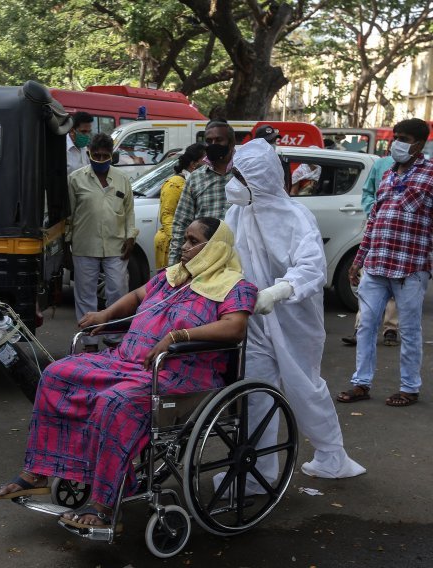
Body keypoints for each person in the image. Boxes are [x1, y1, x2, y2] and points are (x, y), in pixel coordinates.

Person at [0, 218, 257, 529]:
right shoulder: (171, 278)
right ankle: (37, 471)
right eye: (184, 239)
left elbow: (235, 328)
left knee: (114, 403)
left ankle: (104, 501)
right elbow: (136, 297)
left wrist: (177, 336)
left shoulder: (234, 286)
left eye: (193, 241)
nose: (183, 247)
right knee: (55, 376)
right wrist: (106, 314)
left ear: (214, 248)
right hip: (125, 361)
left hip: (178, 375)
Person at [225, 138, 365, 480]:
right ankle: (260, 471)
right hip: (254, 320)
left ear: (259, 179)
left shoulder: (295, 217)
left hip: (293, 318)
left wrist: (278, 291)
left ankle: (332, 455)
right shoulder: (236, 214)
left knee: (304, 387)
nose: (233, 185)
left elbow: (311, 268)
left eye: (241, 178)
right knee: (257, 393)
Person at [338, 118, 433, 408]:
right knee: (366, 326)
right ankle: (361, 383)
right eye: (395, 137)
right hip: (376, 265)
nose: (396, 143)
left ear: (418, 143)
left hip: (410, 269)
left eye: (402, 138)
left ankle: (409, 388)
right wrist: (360, 258)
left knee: (410, 330)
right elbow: (375, 221)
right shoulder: (389, 174)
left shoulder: (430, 174)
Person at [66, 133, 136, 352]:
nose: (100, 159)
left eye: (105, 156)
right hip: (84, 244)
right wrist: (66, 244)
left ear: (112, 156)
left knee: (118, 289)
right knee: (85, 295)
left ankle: (114, 338)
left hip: (116, 244)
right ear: (89, 155)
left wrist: (131, 236)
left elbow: (129, 210)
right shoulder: (76, 178)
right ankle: (90, 342)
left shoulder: (122, 178)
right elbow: (69, 214)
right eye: (96, 155)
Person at [341, 152, 399, 347]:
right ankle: (361, 328)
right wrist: (373, 210)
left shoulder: (420, 170)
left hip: (402, 233)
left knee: (396, 280)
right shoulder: (382, 164)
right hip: (377, 228)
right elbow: (367, 192)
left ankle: (390, 327)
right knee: (369, 281)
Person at [168, 120, 235, 265]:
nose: (213, 144)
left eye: (219, 140)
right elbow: (181, 223)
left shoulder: (245, 173)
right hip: (203, 260)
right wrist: (174, 265)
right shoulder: (196, 178)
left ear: (231, 143)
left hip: (238, 258)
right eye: (209, 141)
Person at [153, 143, 206, 268]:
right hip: (171, 244)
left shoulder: (196, 183)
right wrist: (182, 243)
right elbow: (167, 217)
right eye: (205, 160)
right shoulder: (175, 183)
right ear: (193, 164)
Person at [66, 111, 93, 176]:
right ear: (72, 131)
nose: (87, 135)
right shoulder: (62, 148)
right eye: (83, 131)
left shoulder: (85, 148)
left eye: (89, 132)